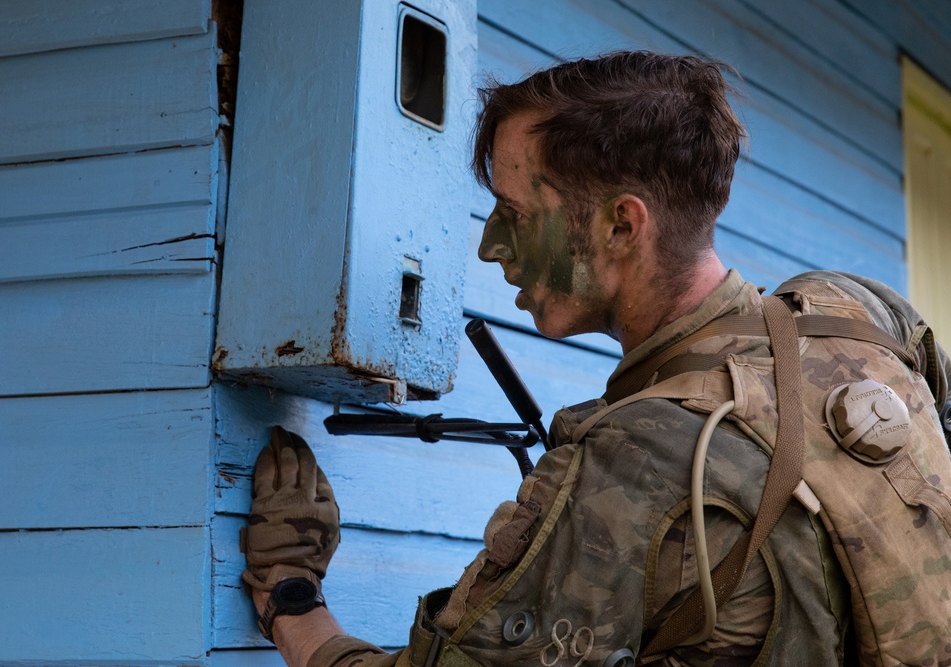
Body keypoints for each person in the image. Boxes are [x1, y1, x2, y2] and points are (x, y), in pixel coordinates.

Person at [240, 51, 951, 666]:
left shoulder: (633, 464)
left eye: (514, 214)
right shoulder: (856, 315)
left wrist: (292, 594)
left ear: (622, 224)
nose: (490, 246)